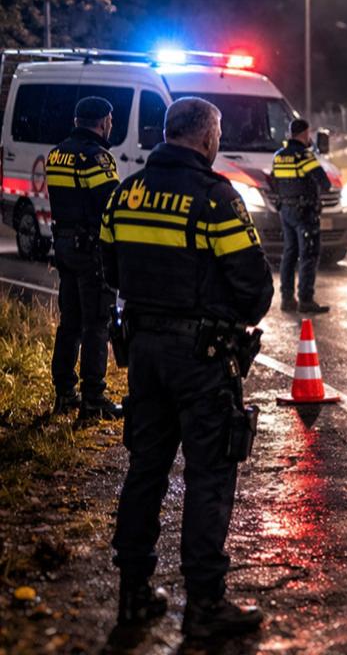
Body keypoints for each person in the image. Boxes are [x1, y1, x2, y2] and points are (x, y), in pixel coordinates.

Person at [100, 97, 273, 636]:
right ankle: (204, 606)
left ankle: (133, 596)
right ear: (203, 138)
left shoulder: (124, 193)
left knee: (145, 470)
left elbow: (110, 267)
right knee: (209, 476)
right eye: (217, 133)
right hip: (201, 358)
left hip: (144, 352)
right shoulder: (215, 198)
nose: (218, 141)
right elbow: (256, 291)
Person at [45, 96, 122, 421]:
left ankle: (65, 393)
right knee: (96, 325)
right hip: (90, 250)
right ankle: (93, 399)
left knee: (70, 324)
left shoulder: (56, 153)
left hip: (63, 244)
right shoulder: (97, 158)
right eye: (111, 121)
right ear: (104, 121)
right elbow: (110, 205)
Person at [269, 118, 332, 314]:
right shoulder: (304, 156)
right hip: (305, 212)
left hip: (285, 211)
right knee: (308, 254)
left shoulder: (278, 156)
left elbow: (273, 182)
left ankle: (287, 298)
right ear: (305, 134)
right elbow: (325, 182)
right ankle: (306, 299)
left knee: (289, 253)